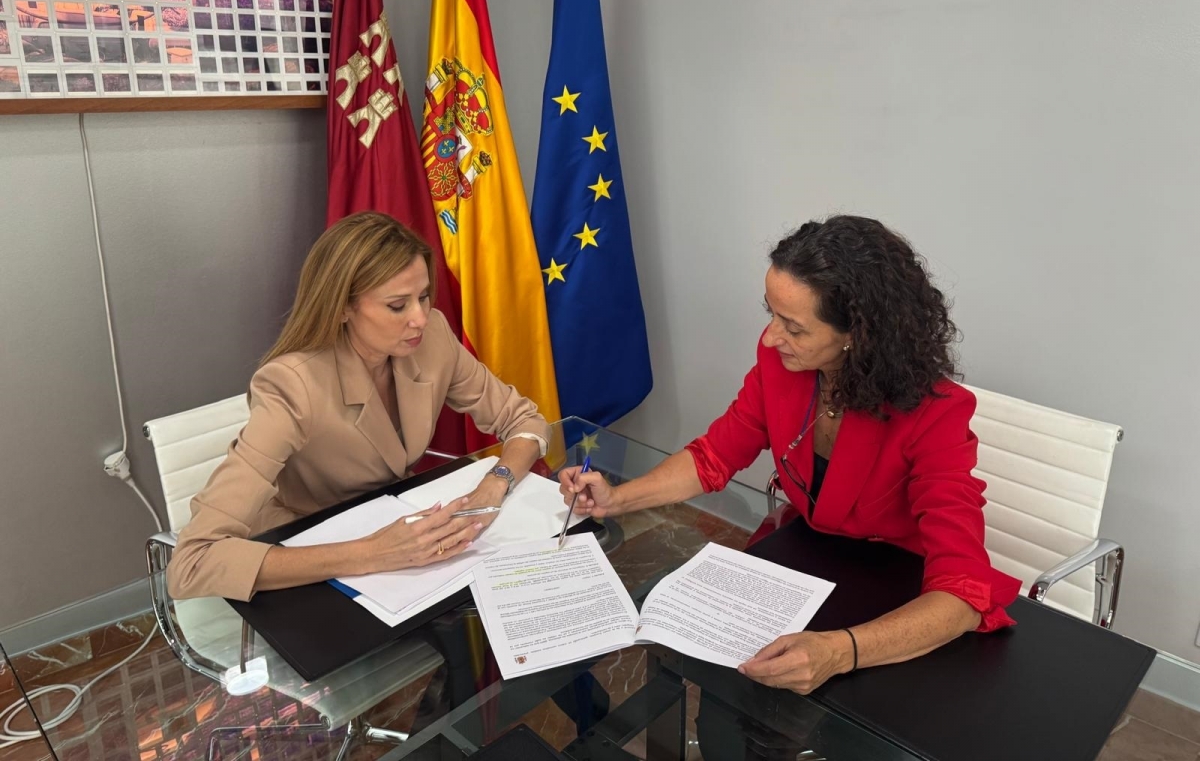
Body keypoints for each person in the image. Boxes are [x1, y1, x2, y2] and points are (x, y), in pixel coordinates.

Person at [559, 215, 1021, 696]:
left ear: (857, 335)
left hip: (897, 583)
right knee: (728, 696)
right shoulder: (783, 368)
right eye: (772, 313)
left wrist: (841, 651)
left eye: (794, 327)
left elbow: (962, 592)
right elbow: (714, 456)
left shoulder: (935, 413)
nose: (770, 337)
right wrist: (617, 499)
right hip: (810, 554)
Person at [168, 212, 550, 601]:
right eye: (398, 305)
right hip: (311, 550)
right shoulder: (290, 385)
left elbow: (525, 420)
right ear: (342, 308)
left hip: (399, 536)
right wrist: (373, 553)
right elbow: (191, 564)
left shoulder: (432, 335)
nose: (420, 318)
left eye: (423, 296)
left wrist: (494, 485)